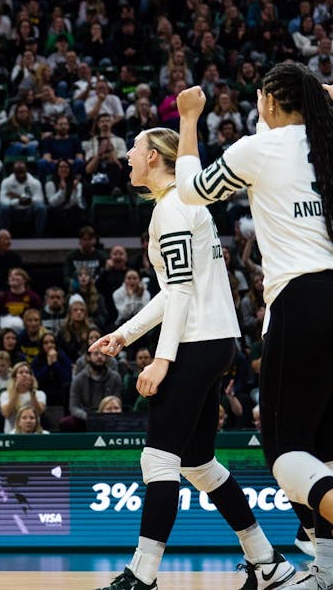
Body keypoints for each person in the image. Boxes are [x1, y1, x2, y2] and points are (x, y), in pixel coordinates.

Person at [91, 127, 294, 590]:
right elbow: (172, 291)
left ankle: (142, 576)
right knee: (198, 463)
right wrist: (123, 335)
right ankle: (268, 564)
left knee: (158, 461)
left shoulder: (173, 210)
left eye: (136, 148)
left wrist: (162, 361)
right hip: (215, 342)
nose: (128, 156)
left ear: (157, 157)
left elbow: (179, 291)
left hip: (197, 344)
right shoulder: (182, 206)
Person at [173, 70, 333, 590]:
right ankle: (326, 574)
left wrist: (190, 119)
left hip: (301, 301)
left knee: (286, 453)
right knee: (325, 451)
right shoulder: (325, 142)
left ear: (267, 102)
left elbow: (192, 192)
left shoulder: (260, 147)